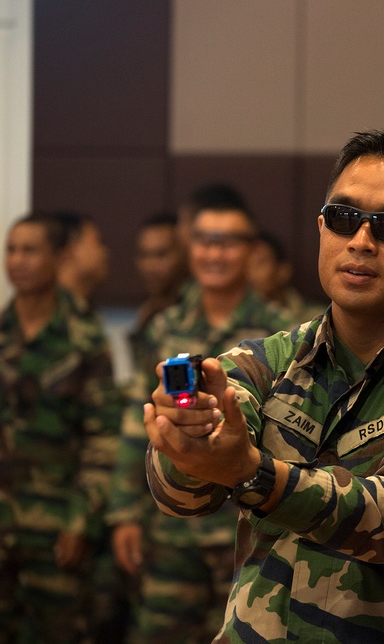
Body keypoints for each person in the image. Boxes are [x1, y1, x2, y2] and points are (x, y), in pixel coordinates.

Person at [141, 129, 384, 642]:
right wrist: (184, 447)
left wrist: (252, 475)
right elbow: (183, 500)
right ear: (322, 227)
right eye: (343, 218)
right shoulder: (261, 362)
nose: (361, 241)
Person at [107, 196, 293, 643]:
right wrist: (125, 512)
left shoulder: (283, 331)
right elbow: (140, 420)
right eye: (205, 241)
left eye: (228, 242)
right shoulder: (165, 326)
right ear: (189, 248)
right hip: (173, 528)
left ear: (252, 251)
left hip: (250, 530)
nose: (214, 254)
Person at [0, 212, 123, 642]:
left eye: (30, 250)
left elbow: (102, 441)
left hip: (55, 528)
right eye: (11, 250)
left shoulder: (84, 338)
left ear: (57, 258)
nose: (17, 260)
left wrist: (80, 522)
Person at [248, 230, 325, 322]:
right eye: (246, 264)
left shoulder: (316, 318)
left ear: (283, 271)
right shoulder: (237, 319)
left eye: (261, 263)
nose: (250, 273)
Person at [55, 212, 111, 308]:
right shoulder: (48, 314)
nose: (105, 252)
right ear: (70, 250)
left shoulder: (83, 311)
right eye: (98, 242)